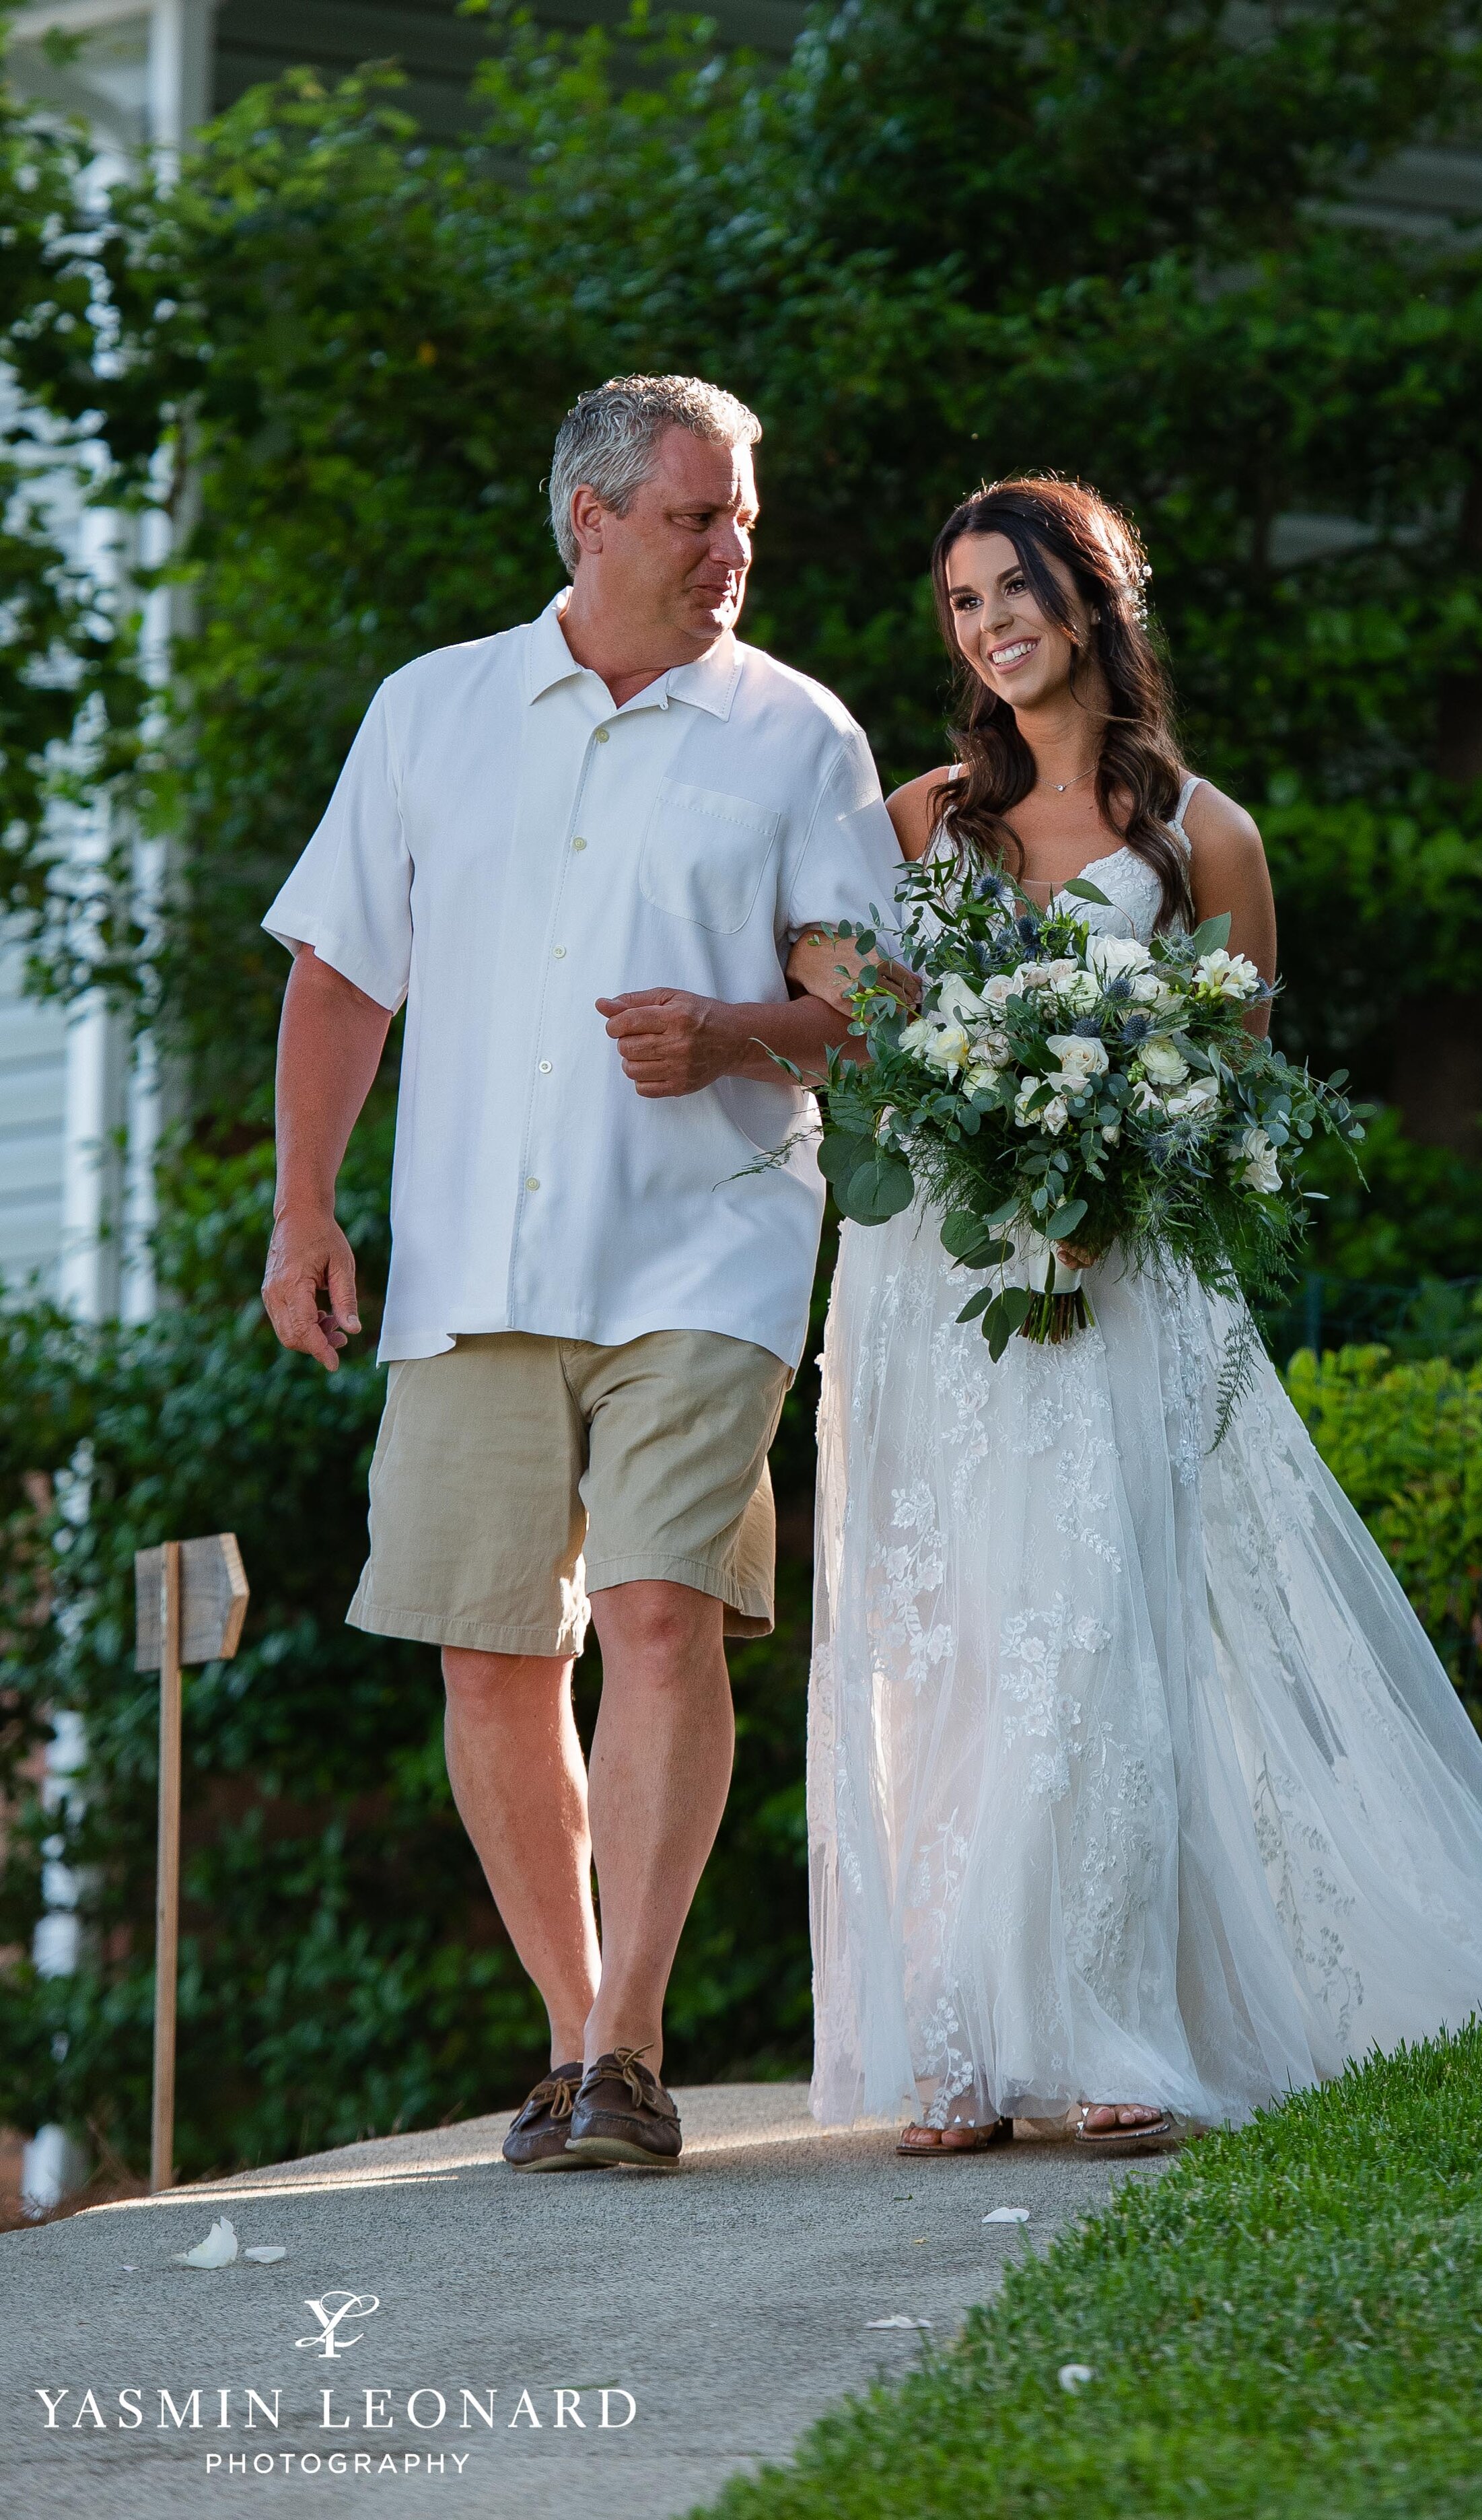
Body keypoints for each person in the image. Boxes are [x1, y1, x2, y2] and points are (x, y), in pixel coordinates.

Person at [790, 475, 1482, 2157]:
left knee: (1101, 1631)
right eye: (960, 605)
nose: (987, 625)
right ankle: (956, 2039)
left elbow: (1239, 1094)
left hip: (1117, 1286)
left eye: (1011, 587)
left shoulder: (1205, 835)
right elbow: (850, 1001)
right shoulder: (919, 820)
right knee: (949, 1645)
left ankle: (1114, 2021)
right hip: (939, 1290)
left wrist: (1113, 1153)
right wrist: (950, 1079)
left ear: (1089, 593)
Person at [261, 374, 903, 2172]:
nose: (731, 548)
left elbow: (866, 1015)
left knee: (654, 1613)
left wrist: (727, 1032)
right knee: (485, 1657)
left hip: (709, 1242)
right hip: (471, 1254)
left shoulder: (796, 737)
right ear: (591, 522)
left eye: (744, 516)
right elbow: (339, 979)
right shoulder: (433, 713)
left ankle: (629, 2051)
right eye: (697, 516)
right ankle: (565, 2031)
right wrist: (306, 1212)